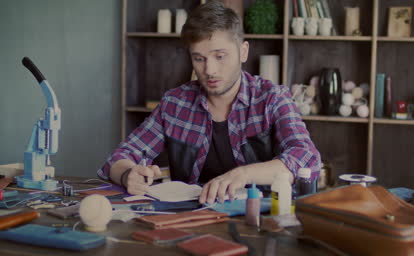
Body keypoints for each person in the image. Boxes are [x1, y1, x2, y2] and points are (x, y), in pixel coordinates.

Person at [97, 0, 321, 204]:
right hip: (191, 220)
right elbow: (118, 158)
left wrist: (241, 174)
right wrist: (128, 174)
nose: (209, 70)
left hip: (260, 219)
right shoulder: (175, 104)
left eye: (220, 56)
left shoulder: (272, 98)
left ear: (243, 51)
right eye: (199, 58)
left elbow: (306, 158)